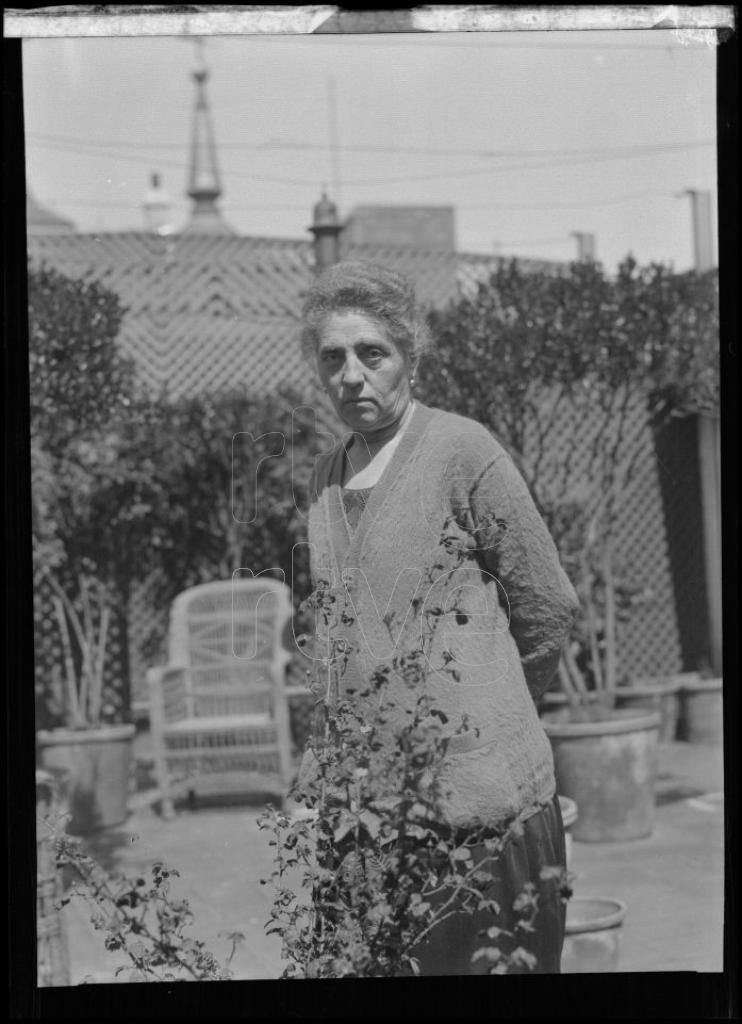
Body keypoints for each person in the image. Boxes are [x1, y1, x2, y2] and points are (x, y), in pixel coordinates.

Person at [297, 260, 579, 975]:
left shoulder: (462, 450)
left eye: (372, 354)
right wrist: (318, 783)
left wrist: (493, 718)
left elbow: (547, 605)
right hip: (369, 823)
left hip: (483, 824)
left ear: (410, 360)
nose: (351, 375)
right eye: (333, 357)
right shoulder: (321, 481)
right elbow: (332, 639)